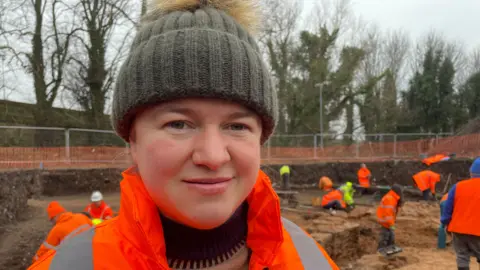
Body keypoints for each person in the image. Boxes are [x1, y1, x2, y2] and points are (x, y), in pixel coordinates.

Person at [28, 1, 338, 269]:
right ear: (132, 140)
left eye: (237, 126)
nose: (213, 156)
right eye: (179, 124)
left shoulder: (311, 260)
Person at [441, 157, 480, 270]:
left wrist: (445, 223)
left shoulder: (458, 186)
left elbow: (447, 208)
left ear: (471, 172)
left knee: (462, 257)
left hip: (458, 229)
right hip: (478, 231)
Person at [376, 184, 404, 256]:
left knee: (390, 237)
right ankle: (380, 253)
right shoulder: (390, 199)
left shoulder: (392, 198)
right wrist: (391, 225)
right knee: (385, 237)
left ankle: (388, 251)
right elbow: (388, 214)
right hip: (386, 222)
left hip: (387, 222)